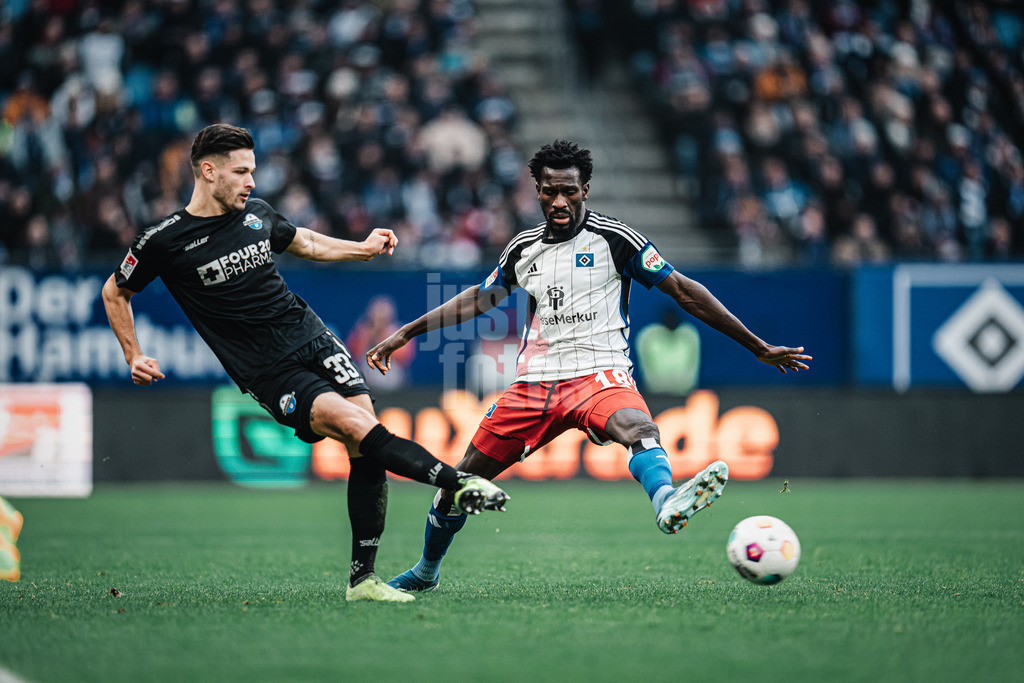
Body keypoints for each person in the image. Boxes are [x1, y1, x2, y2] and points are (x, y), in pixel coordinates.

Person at [367, 140, 810, 593]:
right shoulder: (522, 248)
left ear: (586, 190)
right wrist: (407, 332)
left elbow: (683, 290)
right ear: (537, 191)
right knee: (456, 484)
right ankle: (426, 572)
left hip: (599, 371)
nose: (559, 201)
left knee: (638, 427)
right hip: (534, 383)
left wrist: (755, 345)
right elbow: (479, 299)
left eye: (569, 191)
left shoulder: (616, 239)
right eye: (548, 191)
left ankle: (665, 500)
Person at [101, 124, 509, 603]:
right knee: (355, 425)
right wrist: (133, 353)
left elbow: (307, 244)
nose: (252, 181)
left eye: (253, 170)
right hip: (269, 370)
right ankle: (456, 482)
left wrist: (361, 249)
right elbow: (115, 291)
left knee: (365, 438)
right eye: (241, 172)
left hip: (311, 337)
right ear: (208, 172)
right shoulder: (164, 240)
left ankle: (364, 581)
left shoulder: (256, 214)